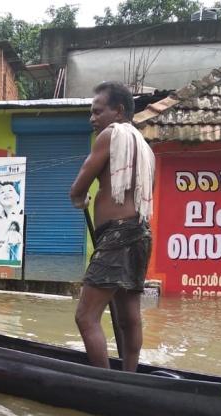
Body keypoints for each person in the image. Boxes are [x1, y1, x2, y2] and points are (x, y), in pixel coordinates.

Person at [69, 81, 155, 372]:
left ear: (118, 111)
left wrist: (79, 197)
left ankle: (105, 382)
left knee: (86, 316)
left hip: (117, 235)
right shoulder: (144, 146)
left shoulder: (110, 134)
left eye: (97, 111)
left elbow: (80, 182)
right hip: (141, 234)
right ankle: (129, 378)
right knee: (128, 318)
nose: (92, 118)